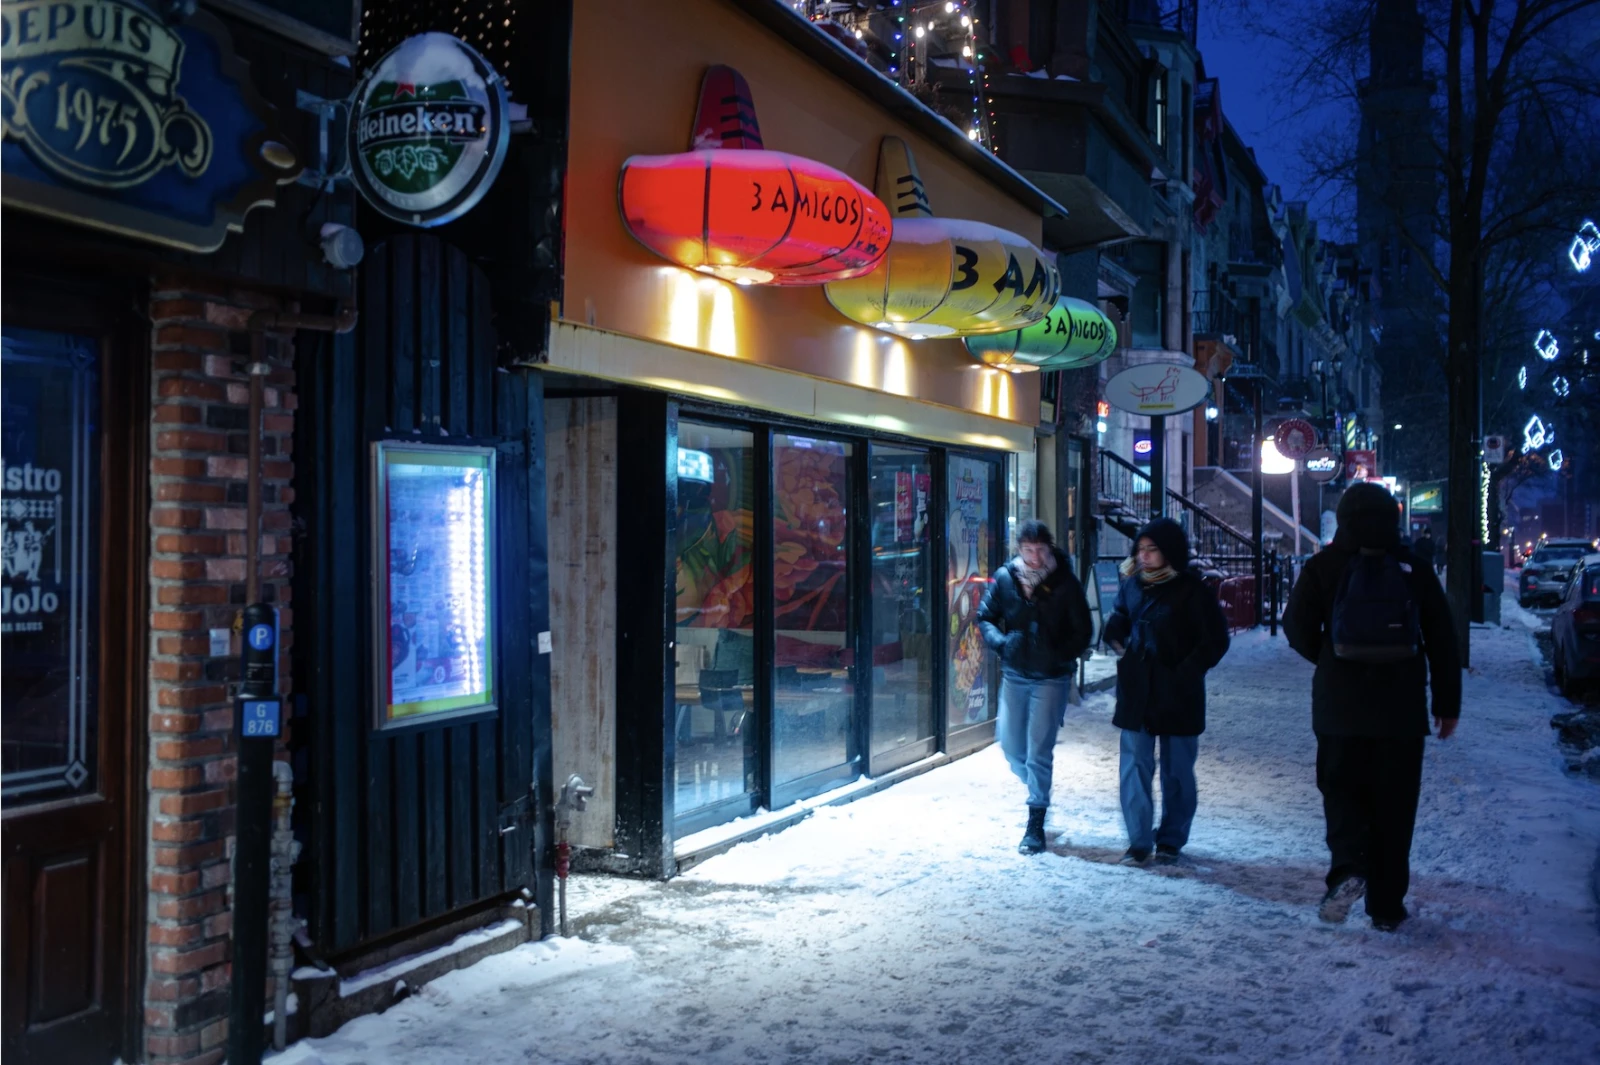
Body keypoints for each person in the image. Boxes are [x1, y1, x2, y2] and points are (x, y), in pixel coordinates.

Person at [1283, 482, 1461, 932]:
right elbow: (1442, 638)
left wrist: (1330, 657)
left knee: (1341, 793)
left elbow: (1296, 627)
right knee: (1395, 805)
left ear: (1343, 519)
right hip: (1401, 710)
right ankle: (1386, 906)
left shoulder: (1323, 567)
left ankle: (1348, 869)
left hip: (1339, 708)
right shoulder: (1414, 568)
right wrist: (1447, 704)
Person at [1101, 518, 1230, 866]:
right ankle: (1139, 842)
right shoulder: (1132, 585)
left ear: (1169, 552)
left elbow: (1215, 640)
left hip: (1178, 692)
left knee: (1178, 772)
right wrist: (1117, 637)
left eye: (1152, 549)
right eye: (1140, 549)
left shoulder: (1193, 590)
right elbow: (1121, 617)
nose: (1143, 556)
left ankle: (1172, 839)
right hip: (1138, 689)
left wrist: (1186, 671)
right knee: (1134, 766)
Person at [978, 520, 1093, 854]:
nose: (1034, 557)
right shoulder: (1006, 578)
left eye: (1040, 549)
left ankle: (1035, 821)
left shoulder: (1065, 582)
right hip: (1015, 673)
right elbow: (985, 616)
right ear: (1019, 549)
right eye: (1028, 550)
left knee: (1038, 750)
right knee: (1011, 747)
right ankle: (1038, 789)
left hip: (1051, 677)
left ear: (1049, 548)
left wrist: (1059, 653)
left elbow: (1084, 630)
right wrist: (1002, 643)